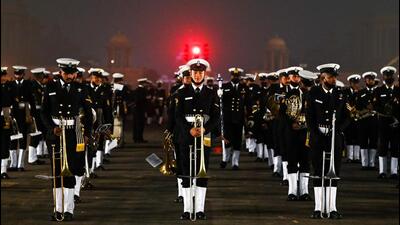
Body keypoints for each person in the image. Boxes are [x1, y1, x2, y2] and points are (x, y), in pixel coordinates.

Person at [41, 58, 93, 221]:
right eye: (66, 73)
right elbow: (43, 112)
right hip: (56, 133)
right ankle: (57, 208)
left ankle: (69, 209)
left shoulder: (81, 88)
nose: (69, 76)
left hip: (73, 132)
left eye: (72, 73)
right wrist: (51, 128)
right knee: (57, 172)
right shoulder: (50, 87)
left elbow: (89, 114)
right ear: (60, 72)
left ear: (76, 73)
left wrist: (87, 134)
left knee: (70, 171)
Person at [175, 58, 219, 220]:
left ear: (204, 74)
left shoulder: (211, 93)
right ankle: (187, 209)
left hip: (205, 135)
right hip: (186, 135)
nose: (198, 75)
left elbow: (216, 117)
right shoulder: (182, 92)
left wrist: (206, 129)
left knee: (202, 172)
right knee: (186, 171)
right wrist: (189, 130)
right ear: (191, 73)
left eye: (201, 72)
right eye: (195, 72)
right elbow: (177, 116)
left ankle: (200, 209)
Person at [307, 63, 350, 219]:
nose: (333, 80)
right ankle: (318, 208)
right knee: (318, 172)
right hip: (318, 136)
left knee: (334, 173)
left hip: (334, 137)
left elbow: (347, 117)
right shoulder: (313, 93)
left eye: (334, 77)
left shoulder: (340, 94)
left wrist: (338, 130)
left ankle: (332, 207)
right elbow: (309, 116)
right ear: (322, 77)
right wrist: (316, 132)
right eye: (330, 77)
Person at [9, 65, 37, 171]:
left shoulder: (28, 84)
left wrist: (33, 114)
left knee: (23, 140)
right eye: (16, 74)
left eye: (19, 74)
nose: (17, 76)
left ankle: (20, 164)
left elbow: (32, 100)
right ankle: (13, 164)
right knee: (12, 140)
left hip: (24, 116)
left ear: (23, 74)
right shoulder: (10, 85)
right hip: (13, 116)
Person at [220, 67, 247, 170]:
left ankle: (235, 163)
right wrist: (219, 95)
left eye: (237, 76)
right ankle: (225, 159)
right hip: (228, 118)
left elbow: (247, 103)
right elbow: (220, 101)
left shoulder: (243, 87)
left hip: (238, 118)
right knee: (227, 140)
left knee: (237, 141)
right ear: (230, 76)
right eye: (233, 75)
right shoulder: (224, 86)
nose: (235, 77)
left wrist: (248, 117)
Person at [374, 66, 399, 179]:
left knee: (395, 147)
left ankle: (394, 172)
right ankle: (382, 171)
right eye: (386, 76)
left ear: (393, 77)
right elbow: (375, 105)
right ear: (383, 77)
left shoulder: (398, 91)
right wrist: (385, 110)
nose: (388, 77)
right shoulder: (378, 90)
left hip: (396, 123)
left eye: (390, 76)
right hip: (383, 122)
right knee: (382, 147)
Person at [357, 72, 379, 170]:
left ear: (374, 80)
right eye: (368, 79)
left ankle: (372, 163)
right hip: (363, 120)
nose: (369, 81)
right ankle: (365, 164)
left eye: (371, 79)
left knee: (373, 141)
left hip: (374, 120)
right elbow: (357, 106)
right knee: (363, 141)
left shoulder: (378, 91)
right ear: (365, 80)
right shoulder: (361, 93)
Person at [1, 67, 13, 179]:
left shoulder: (8, 87)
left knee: (5, 143)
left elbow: (11, 102)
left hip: (4, 117)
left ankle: (3, 170)